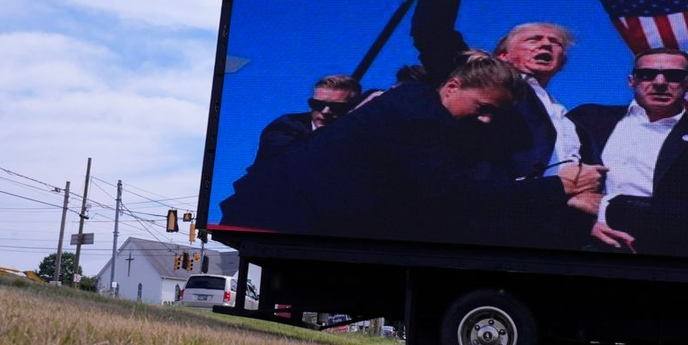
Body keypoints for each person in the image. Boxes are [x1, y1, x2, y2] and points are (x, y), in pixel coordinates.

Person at [220, 52, 584, 244]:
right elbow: (455, 193)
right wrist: (558, 188)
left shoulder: (418, 103)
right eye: (482, 108)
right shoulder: (419, 118)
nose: (486, 120)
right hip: (280, 223)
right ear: (453, 86)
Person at [411, 0, 604, 192]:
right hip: (493, 204)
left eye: (555, 43)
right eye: (534, 40)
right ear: (503, 55)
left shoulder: (568, 117)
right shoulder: (480, 81)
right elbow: (433, 33)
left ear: (562, 63)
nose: (546, 44)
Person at [568, 49, 688, 252]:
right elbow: (549, 171)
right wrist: (584, 225)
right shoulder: (588, 118)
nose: (659, 82)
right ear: (632, 81)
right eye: (647, 74)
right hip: (575, 245)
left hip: (663, 253)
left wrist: (611, 207)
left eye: (674, 76)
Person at [252, 74, 361, 163]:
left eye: (337, 107)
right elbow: (290, 160)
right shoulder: (285, 126)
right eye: (318, 104)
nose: (325, 111)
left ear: (351, 108)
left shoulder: (357, 135)